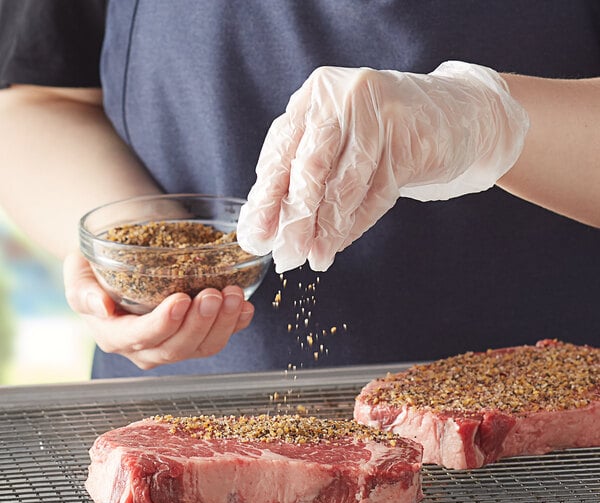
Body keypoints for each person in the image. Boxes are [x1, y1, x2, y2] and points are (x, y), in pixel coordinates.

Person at [0, 0, 598, 380]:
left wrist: (487, 123)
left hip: (537, 430)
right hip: (175, 417)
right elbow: (38, 99)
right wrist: (146, 261)